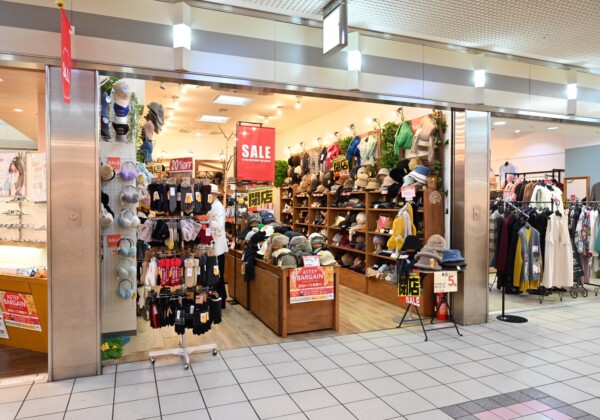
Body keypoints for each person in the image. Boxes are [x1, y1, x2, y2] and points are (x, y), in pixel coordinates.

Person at [207, 183, 228, 308]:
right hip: (214, 245)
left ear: (214, 195)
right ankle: (218, 300)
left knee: (218, 273)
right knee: (216, 273)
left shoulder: (218, 207)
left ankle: (221, 300)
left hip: (218, 246)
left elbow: (219, 225)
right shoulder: (212, 205)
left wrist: (207, 220)